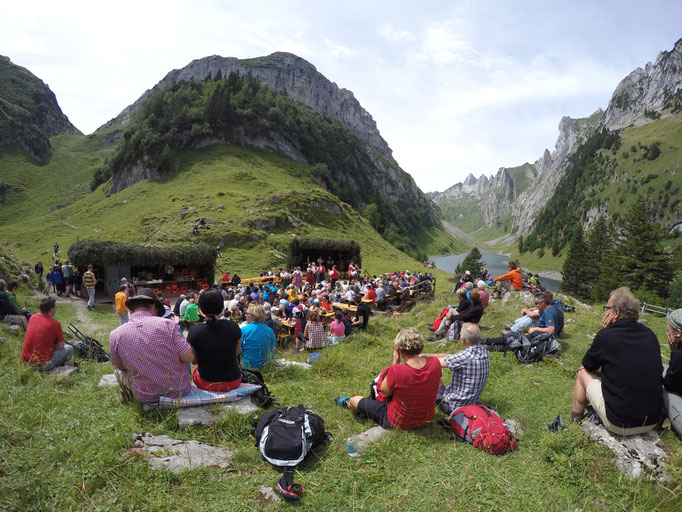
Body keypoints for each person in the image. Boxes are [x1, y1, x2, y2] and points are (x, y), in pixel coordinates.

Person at [570, 287, 662, 435]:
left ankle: (573, 427)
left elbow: (588, 364)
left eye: (607, 309)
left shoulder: (607, 335)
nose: (605, 312)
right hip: (650, 421)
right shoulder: (650, 334)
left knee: (582, 373)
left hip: (619, 424)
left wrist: (604, 331)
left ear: (616, 312)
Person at [335, 327, 442, 429]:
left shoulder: (397, 370)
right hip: (426, 419)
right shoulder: (435, 364)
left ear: (399, 350)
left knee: (355, 400)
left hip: (398, 421)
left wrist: (394, 363)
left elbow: (384, 391)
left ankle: (348, 404)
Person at [109, 288, 196, 404]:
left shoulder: (116, 334)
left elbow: (120, 366)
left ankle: (127, 394)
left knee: (118, 372)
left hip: (145, 397)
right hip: (179, 391)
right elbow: (188, 358)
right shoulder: (169, 325)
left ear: (133, 308)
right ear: (153, 306)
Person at [421, 323, 490, 415]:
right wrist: (428, 355)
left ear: (462, 340)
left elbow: (434, 363)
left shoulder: (464, 357)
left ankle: (419, 399)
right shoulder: (484, 352)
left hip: (454, 407)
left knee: (432, 370)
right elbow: (451, 357)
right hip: (472, 404)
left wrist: (420, 359)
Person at [187, 289, 243, 391]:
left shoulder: (194, 331)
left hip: (207, 383)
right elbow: (237, 352)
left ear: (201, 309)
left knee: (195, 370)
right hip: (234, 381)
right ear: (221, 308)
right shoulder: (234, 326)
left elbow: (194, 360)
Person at [21, 297, 74, 371]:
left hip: (25, 362)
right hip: (42, 365)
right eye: (55, 308)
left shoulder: (32, 317)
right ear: (52, 310)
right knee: (69, 348)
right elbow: (61, 346)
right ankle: (69, 371)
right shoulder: (56, 324)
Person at [663, 309, 682, 437]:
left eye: (668, 330)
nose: (667, 333)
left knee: (661, 389)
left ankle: (654, 424)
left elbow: (669, 384)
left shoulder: (680, 356)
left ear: (678, 333)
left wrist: (674, 351)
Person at [241, 304, 276, 368]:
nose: (245, 315)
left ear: (254, 316)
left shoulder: (243, 330)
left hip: (248, 365)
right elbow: (272, 347)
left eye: (247, 313)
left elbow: (239, 350)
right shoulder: (269, 330)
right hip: (266, 364)